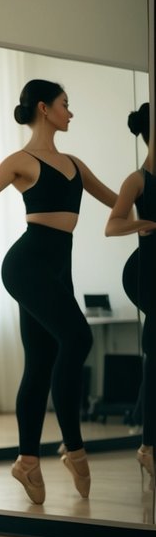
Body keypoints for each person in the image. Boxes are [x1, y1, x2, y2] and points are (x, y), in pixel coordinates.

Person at [0, 80, 117, 503]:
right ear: (44, 108)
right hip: (26, 266)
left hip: (58, 270)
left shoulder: (74, 164)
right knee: (78, 338)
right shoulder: (21, 161)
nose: (70, 113)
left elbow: (118, 200)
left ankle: (27, 460)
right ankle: (74, 447)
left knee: (39, 362)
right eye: (65, 105)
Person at [107, 102, 156, 488]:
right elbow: (113, 225)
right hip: (146, 272)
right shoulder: (137, 179)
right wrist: (146, 223)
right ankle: (148, 446)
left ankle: (147, 444)